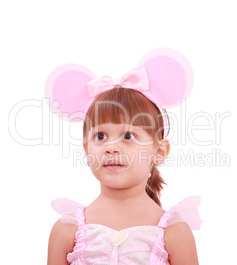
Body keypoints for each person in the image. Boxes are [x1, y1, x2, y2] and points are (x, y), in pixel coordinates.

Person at [45, 49, 202, 264]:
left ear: (159, 151)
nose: (111, 147)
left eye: (128, 136)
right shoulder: (67, 231)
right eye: (100, 136)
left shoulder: (174, 234)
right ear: (86, 149)